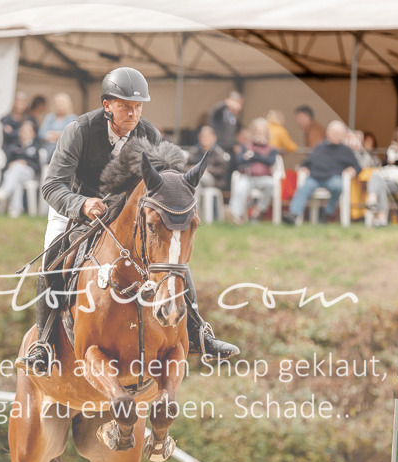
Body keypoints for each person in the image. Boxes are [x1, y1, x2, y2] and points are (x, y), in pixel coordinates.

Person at [16, 67, 239, 376]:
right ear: (107, 105)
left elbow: (157, 185)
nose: (133, 113)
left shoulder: (149, 133)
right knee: (53, 259)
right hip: (76, 205)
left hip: (124, 212)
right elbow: (52, 186)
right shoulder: (79, 131)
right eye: (125, 106)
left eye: (138, 106)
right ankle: (44, 343)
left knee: (171, 258)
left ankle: (199, 332)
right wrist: (82, 204)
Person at [283, 120, 359, 226]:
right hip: (315, 178)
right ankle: (293, 214)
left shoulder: (346, 150)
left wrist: (352, 170)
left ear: (343, 135)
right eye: (333, 132)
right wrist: (304, 168)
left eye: (338, 133)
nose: (335, 135)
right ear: (327, 133)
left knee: (338, 186)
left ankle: (327, 212)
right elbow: (307, 163)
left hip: (333, 178)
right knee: (303, 188)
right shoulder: (319, 147)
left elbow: (357, 166)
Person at [228, 118, 279, 224]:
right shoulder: (245, 146)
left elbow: (270, 161)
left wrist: (254, 156)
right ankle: (235, 215)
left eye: (262, 132)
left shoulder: (272, 149)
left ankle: (258, 210)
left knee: (271, 184)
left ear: (266, 133)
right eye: (257, 131)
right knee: (240, 187)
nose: (259, 134)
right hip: (248, 176)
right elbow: (239, 161)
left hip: (264, 178)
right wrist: (257, 157)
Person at [0, 121, 43, 218]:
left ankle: (4, 191)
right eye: (22, 130)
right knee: (16, 178)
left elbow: (38, 167)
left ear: (33, 134)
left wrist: (25, 163)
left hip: (29, 173)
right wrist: (13, 164)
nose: (24, 133)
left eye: (27, 131)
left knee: (16, 169)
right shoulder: (14, 146)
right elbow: (6, 163)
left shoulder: (36, 147)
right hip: (14, 173)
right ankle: (15, 210)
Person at [187, 125, 230, 190]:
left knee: (197, 179)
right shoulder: (194, 151)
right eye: (202, 136)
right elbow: (185, 165)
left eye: (207, 136)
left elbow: (222, 170)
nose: (204, 139)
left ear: (214, 138)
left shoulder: (219, 153)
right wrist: (191, 168)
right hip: (194, 175)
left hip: (213, 179)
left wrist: (207, 169)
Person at [37, 93, 77, 160]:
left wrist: (52, 134)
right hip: (47, 151)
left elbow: (72, 135)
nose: (59, 105)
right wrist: (58, 135)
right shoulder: (49, 117)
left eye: (61, 103)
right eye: (57, 103)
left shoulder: (72, 118)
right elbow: (41, 133)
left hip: (64, 153)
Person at [209, 91, 244, 156]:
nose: (239, 107)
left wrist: (235, 144)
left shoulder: (234, 117)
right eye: (238, 103)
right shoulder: (221, 113)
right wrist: (227, 103)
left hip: (229, 149)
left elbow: (231, 135)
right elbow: (216, 110)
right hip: (218, 147)